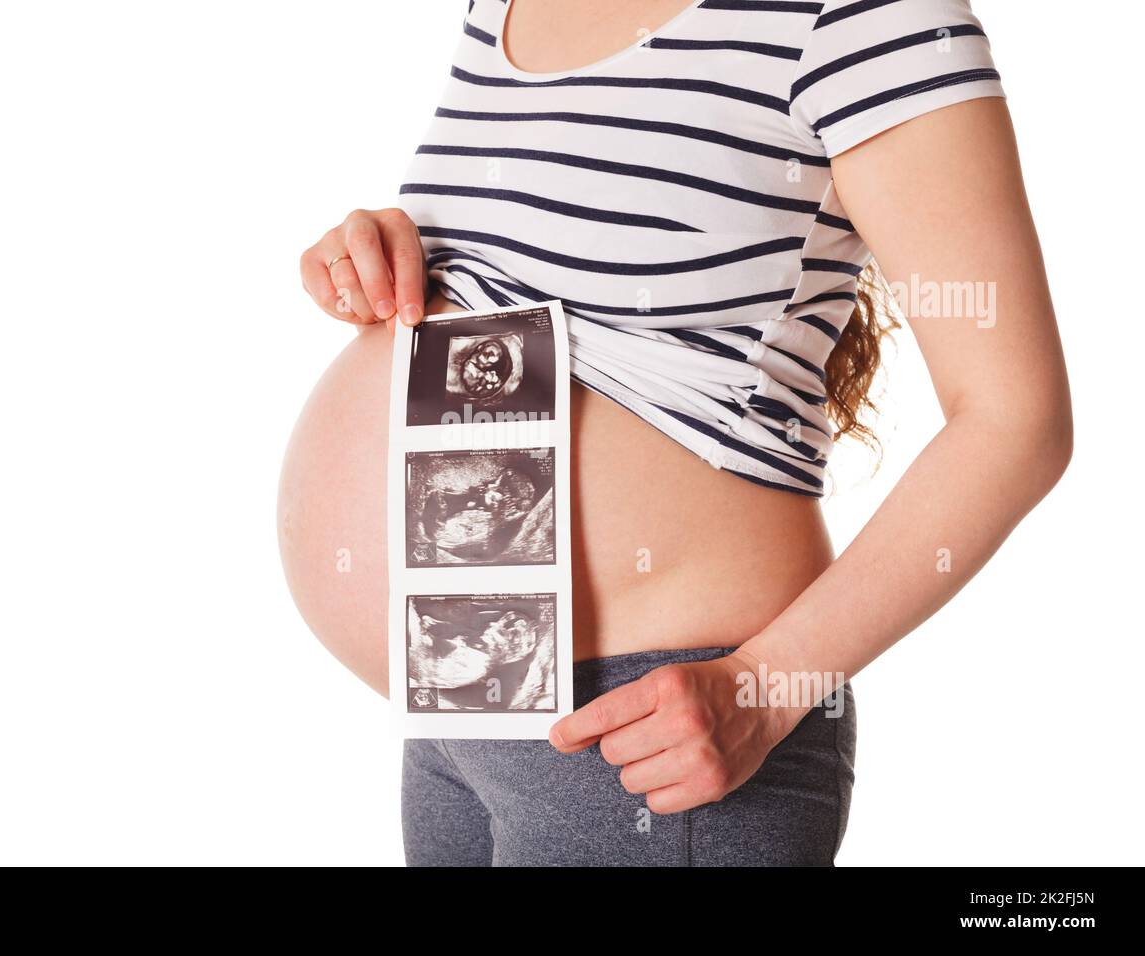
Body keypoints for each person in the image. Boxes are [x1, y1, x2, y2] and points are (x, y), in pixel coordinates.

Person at [279, 0, 1072, 866]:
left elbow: (1015, 418)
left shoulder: (862, 15)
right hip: (458, 705)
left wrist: (769, 689)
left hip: (656, 726)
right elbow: (541, 266)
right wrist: (382, 256)